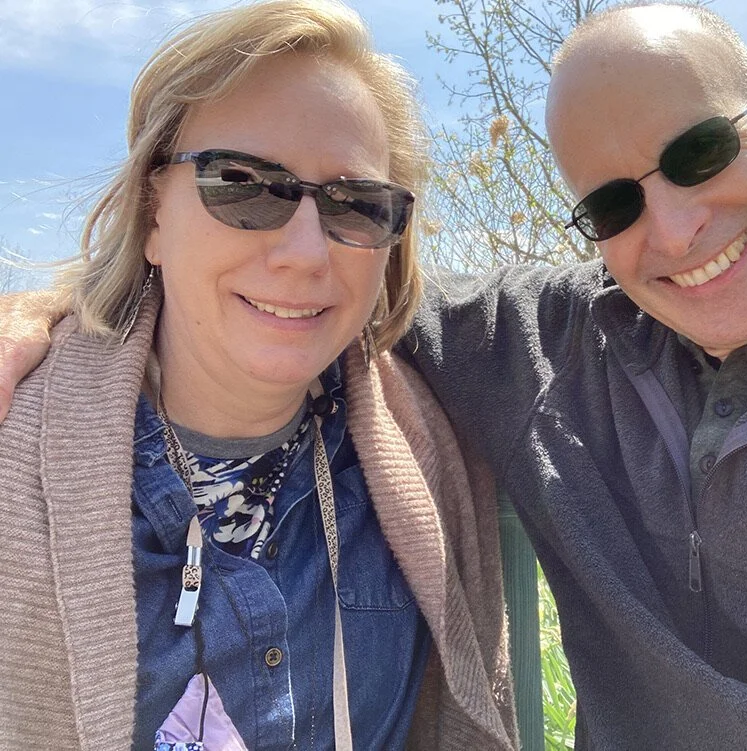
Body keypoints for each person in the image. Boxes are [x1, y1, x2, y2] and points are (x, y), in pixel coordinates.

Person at [3, 2, 747, 749]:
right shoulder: (555, 352)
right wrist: (59, 308)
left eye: (699, 152)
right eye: (242, 187)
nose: (676, 228)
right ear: (150, 204)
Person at [0, 1, 518, 749]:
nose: (306, 252)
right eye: (242, 183)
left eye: (358, 204)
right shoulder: (18, 445)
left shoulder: (421, 436)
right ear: (151, 216)